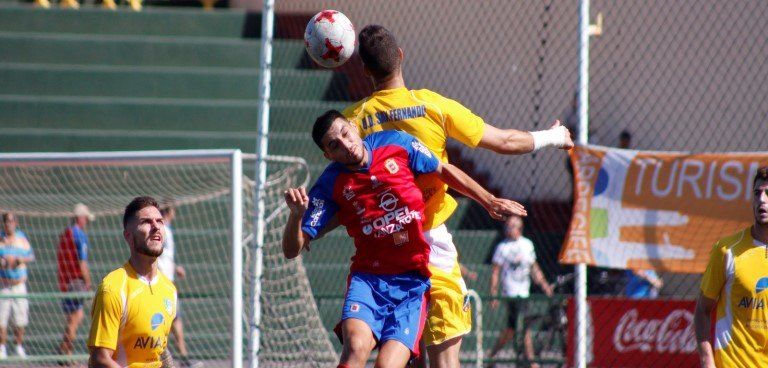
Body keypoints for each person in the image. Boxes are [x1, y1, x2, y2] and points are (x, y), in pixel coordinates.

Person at [341, 24, 572, 367]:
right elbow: (505, 142)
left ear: (364, 70)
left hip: (381, 250)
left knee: (396, 354)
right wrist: (552, 137)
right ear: (401, 56)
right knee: (445, 360)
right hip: (430, 242)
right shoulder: (432, 105)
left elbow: (342, 186)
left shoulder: (352, 122)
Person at [282, 110, 525, 368]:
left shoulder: (397, 143)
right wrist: (297, 216)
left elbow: (442, 169)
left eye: (345, 133)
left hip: (412, 282)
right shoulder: (330, 184)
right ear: (327, 155)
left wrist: (488, 200)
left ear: (354, 127)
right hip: (369, 280)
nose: (346, 145)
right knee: (356, 347)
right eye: (334, 145)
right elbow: (291, 249)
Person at [87, 196, 177, 367]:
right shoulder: (113, 288)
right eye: (146, 222)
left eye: (159, 221)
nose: (156, 226)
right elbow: (100, 359)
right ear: (128, 236)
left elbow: (158, 351)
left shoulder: (169, 290)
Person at [694, 166, 768, 368]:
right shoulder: (726, 250)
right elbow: (702, 310)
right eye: (757, 193)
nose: (762, 200)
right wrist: (706, 359)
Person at [487, 215, 552, 368]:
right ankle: (531, 361)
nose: (509, 229)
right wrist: (493, 293)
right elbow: (495, 272)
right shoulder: (502, 247)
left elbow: (534, 268)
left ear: (520, 228)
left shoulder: (527, 245)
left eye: (513, 226)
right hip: (510, 293)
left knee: (511, 329)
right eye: (508, 226)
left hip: (524, 292)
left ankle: (492, 356)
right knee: (524, 325)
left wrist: (544, 285)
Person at [159, 205, 202, 368]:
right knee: (166, 321)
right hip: (163, 283)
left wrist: (175, 267)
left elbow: (164, 256)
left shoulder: (167, 230)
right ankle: (162, 358)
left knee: (176, 319)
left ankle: (182, 358)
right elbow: (155, 255)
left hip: (168, 282)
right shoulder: (162, 229)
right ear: (170, 211)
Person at [57, 203, 94, 360]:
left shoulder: (65, 234)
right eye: (85, 218)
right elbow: (82, 263)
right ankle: (65, 354)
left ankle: (65, 353)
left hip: (65, 281)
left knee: (74, 317)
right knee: (75, 318)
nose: (86, 222)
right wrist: (88, 282)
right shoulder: (80, 235)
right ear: (80, 218)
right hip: (76, 281)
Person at [0, 212, 34, 359]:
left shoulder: (22, 238)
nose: (9, 224)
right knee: (2, 318)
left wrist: (20, 260)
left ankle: (18, 347)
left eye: (12, 221)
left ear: (16, 222)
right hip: (4, 285)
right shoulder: (1, 239)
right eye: (6, 221)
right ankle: (2, 348)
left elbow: (31, 256)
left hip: (19, 285)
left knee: (20, 318)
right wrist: (4, 262)